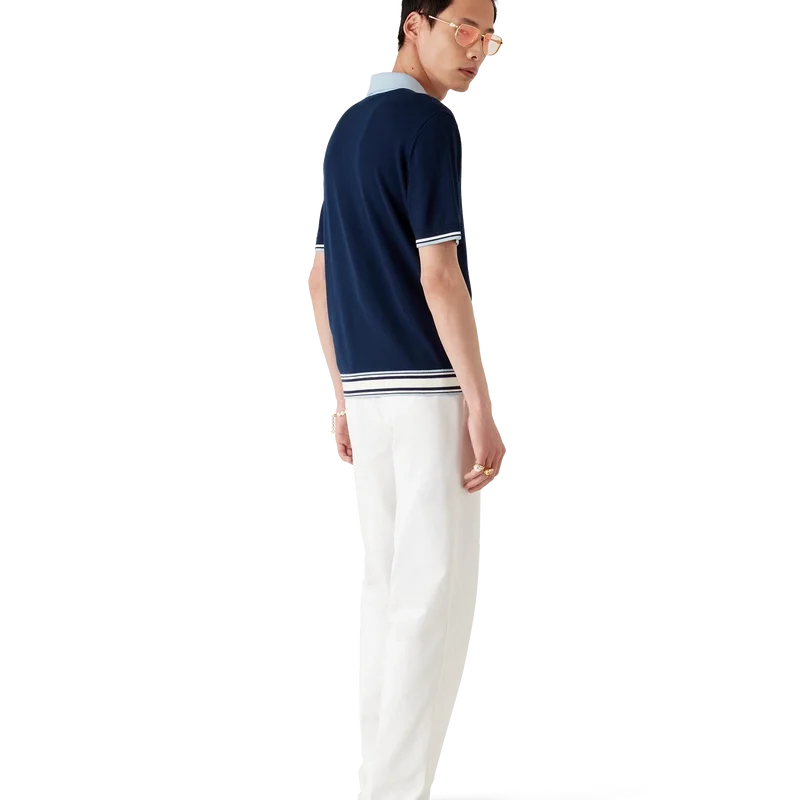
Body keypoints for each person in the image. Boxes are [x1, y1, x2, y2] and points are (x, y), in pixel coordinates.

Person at [306, 2, 506, 798]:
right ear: (413, 25)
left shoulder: (349, 128)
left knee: (386, 589)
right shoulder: (425, 122)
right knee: (429, 595)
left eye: (490, 35)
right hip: (425, 392)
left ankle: (375, 771)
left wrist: (339, 393)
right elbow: (439, 273)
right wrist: (481, 405)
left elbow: (320, 276)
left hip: (367, 391)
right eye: (463, 28)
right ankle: (395, 788)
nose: (479, 49)